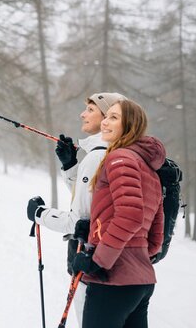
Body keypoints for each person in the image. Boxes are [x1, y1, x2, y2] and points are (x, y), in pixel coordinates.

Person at [26, 92, 127, 326]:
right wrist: (71, 166)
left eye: (91, 110)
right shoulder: (120, 154)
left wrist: (39, 214)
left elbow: (80, 222)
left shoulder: (97, 157)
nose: (83, 114)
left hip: (94, 267)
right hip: (127, 272)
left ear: (108, 118)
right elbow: (96, 202)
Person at [71, 99, 165, 328]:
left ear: (130, 125)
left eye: (114, 117)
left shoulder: (119, 158)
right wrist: (95, 228)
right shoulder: (149, 169)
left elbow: (130, 215)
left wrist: (98, 260)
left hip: (113, 281)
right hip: (140, 283)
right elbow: (154, 238)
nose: (104, 122)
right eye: (106, 116)